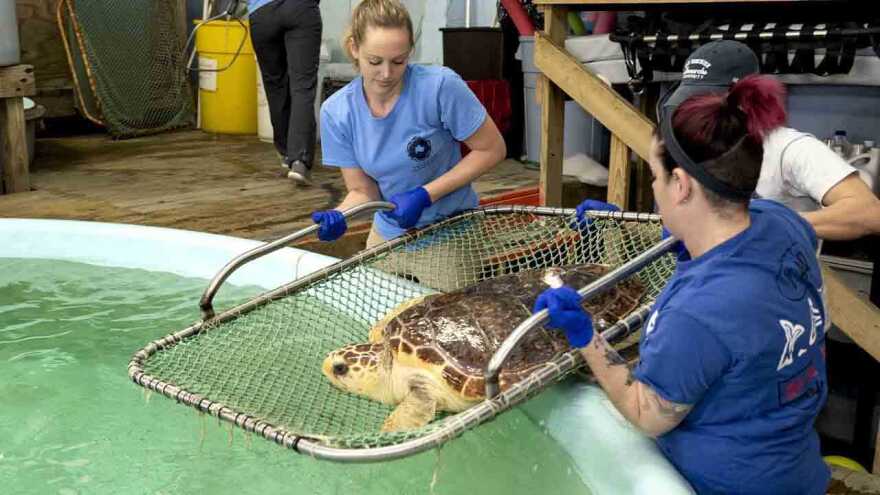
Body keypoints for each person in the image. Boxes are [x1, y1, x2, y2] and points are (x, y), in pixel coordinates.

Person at [536, 75, 831, 494]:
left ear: (681, 185)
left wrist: (586, 336)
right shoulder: (782, 221)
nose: (653, 189)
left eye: (655, 177)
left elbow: (646, 414)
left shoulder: (698, 314)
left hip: (725, 484)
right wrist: (665, 232)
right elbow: (735, 246)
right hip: (797, 469)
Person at [309, 0, 506, 247]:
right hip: (388, 233)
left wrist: (425, 195)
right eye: (374, 61)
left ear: (410, 50)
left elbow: (492, 149)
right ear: (354, 48)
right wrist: (340, 214)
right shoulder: (336, 112)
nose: (387, 73)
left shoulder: (440, 86)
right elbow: (363, 191)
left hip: (451, 230)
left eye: (398, 61)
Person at [660, 40, 880, 241]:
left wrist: (772, 225)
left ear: (747, 98)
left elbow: (868, 212)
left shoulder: (790, 148)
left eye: (707, 103)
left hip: (777, 278)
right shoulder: (694, 143)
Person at [248, 0, 322, 184]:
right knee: (302, 86)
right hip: (300, 8)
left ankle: (286, 152)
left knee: (275, 86)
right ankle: (299, 160)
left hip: (261, 14)